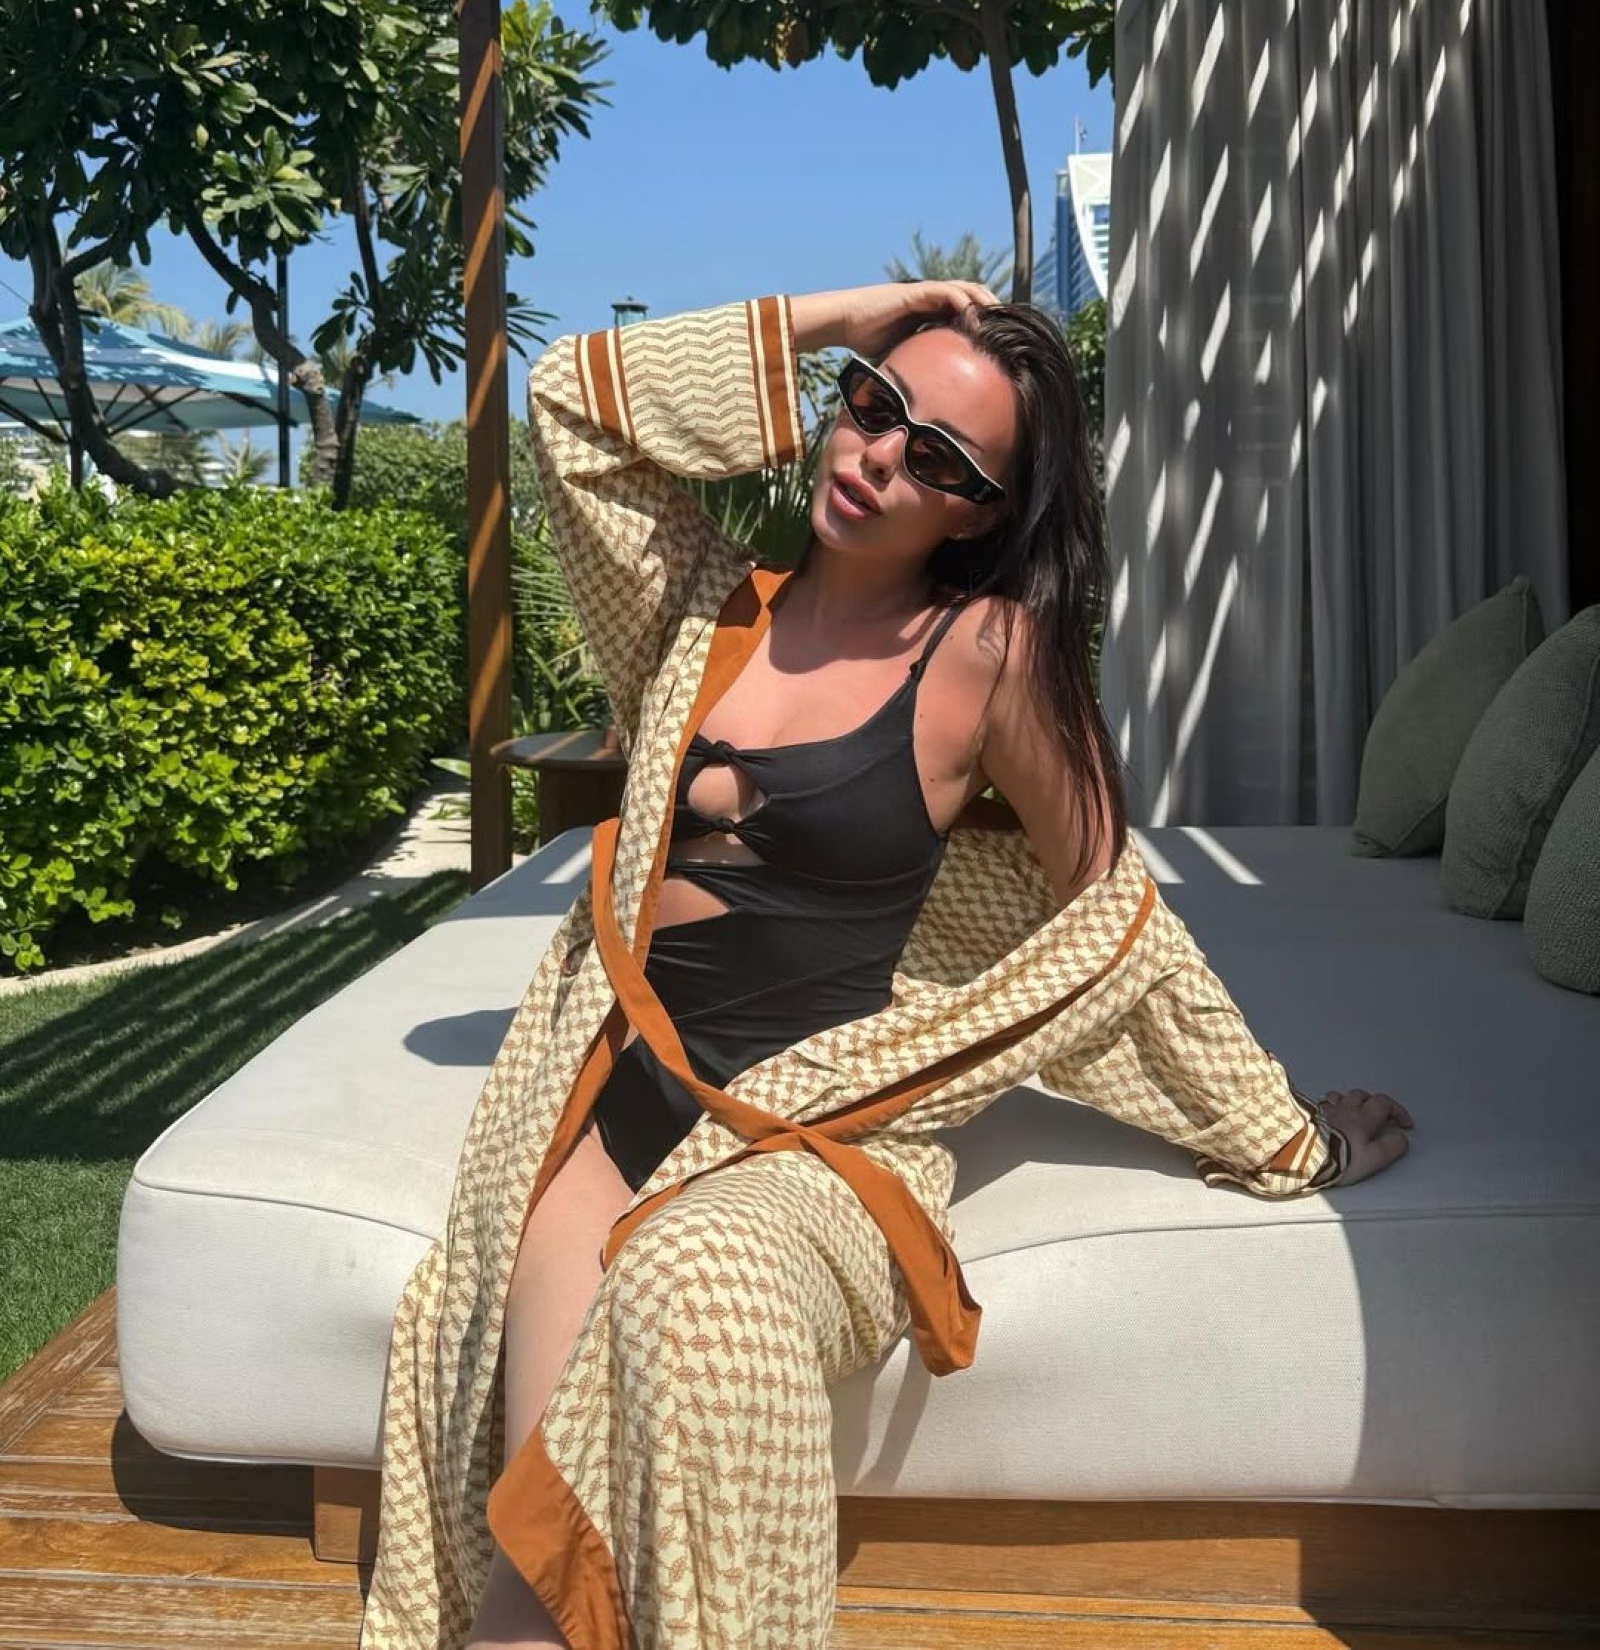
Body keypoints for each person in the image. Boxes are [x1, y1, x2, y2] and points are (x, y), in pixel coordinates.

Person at [360, 280, 1412, 1650]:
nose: (877, 457)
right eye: (872, 403)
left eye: (940, 459)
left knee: (694, 1287)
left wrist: (1285, 1133)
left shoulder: (988, 654)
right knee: (527, 1594)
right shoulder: (699, 609)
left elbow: (1115, 918)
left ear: (977, 512)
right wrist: (859, 314)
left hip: (817, 1130)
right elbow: (569, 402)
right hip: (621, 1109)